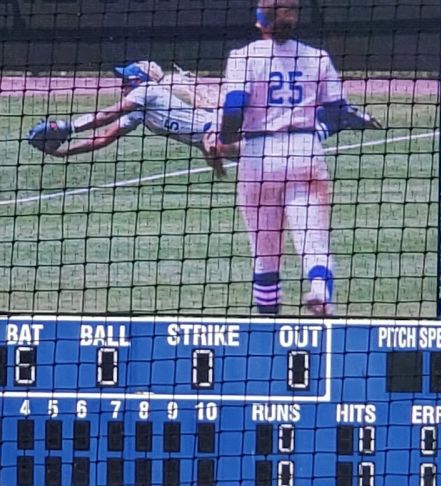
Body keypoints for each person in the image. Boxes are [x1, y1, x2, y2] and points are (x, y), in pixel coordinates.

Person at [208, 0, 382, 316]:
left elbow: (234, 109)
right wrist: (316, 132)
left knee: (265, 251)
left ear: (259, 20)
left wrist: (224, 141)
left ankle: (269, 321)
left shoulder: (243, 56)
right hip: (305, 151)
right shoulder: (317, 58)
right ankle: (319, 291)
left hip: (258, 156)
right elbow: (337, 112)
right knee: (313, 237)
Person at [27, 61, 239, 176]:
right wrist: (63, 153)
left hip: (224, 133)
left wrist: (70, 127)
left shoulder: (147, 90)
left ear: (139, 81)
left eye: (125, 80)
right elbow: (103, 139)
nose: (122, 85)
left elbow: (108, 115)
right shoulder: (140, 112)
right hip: (213, 142)